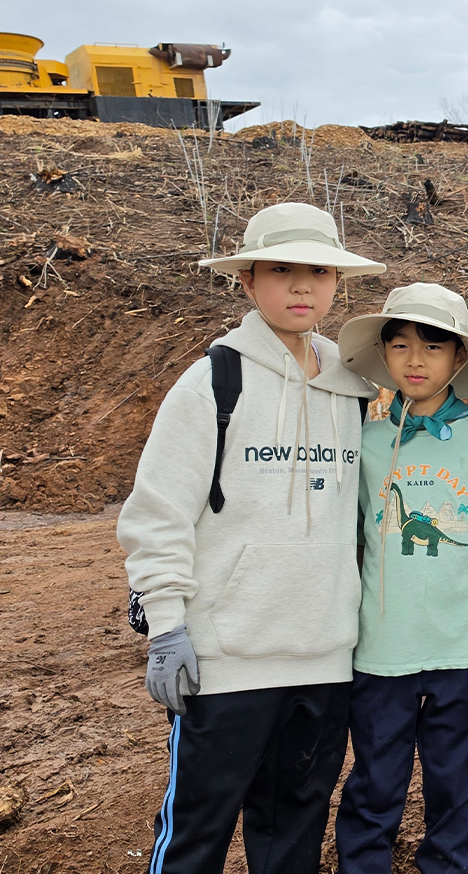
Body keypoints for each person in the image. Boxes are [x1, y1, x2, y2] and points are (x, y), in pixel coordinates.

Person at [118, 202, 385, 874]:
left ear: (336, 283)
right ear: (247, 281)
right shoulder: (213, 382)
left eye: (318, 272)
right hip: (227, 658)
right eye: (282, 270)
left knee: (292, 835)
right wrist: (169, 627)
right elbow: (158, 514)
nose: (302, 287)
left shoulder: (354, 388)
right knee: (196, 836)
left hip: (325, 659)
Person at [333, 282, 468, 874]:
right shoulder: (361, 443)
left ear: (458, 358)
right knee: (375, 778)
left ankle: (448, 865)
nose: (416, 360)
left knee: (457, 782)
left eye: (434, 346)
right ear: (383, 354)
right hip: (379, 648)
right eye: (401, 345)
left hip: (461, 647)